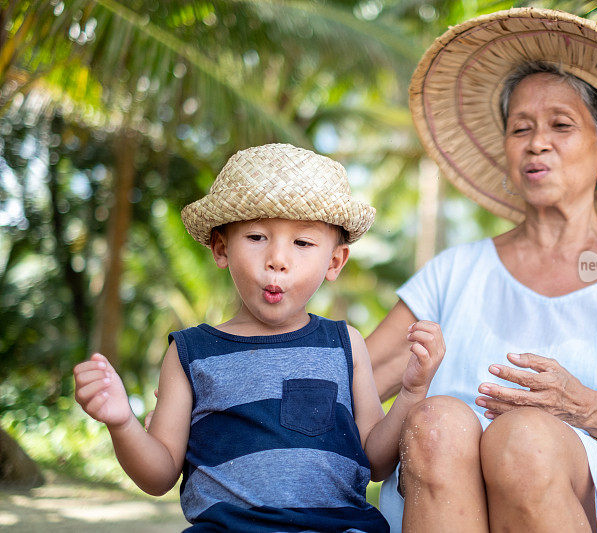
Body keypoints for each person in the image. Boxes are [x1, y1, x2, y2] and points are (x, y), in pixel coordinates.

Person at [366, 8, 597, 533]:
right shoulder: (454, 273)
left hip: (594, 504)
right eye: (521, 129)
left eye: (561, 125)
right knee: (436, 423)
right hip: (446, 505)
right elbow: (354, 377)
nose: (538, 143)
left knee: (525, 439)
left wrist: (584, 406)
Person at [73, 143, 445, 532]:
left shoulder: (344, 344)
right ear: (221, 249)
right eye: (256, 237)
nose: (278, 259)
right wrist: (121, 423)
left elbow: (376, 460)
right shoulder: (189, 353)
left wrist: (412, 391)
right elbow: (159, 474)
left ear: (334, 262)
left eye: (302, 243)